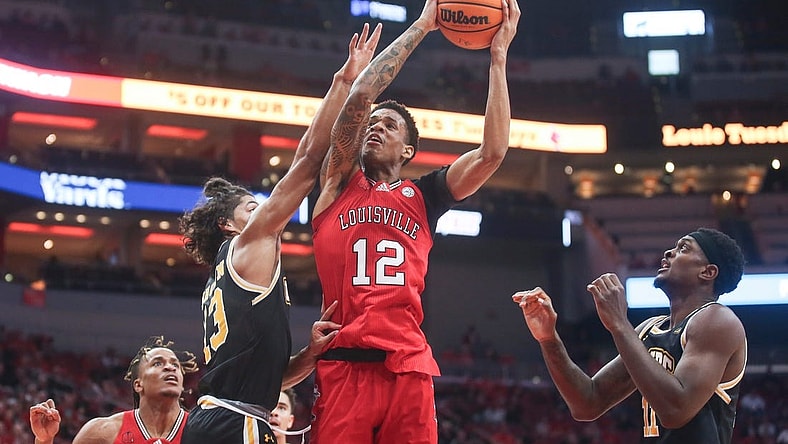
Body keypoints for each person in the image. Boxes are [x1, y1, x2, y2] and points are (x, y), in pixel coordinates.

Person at [309, 0, 520, 442]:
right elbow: (361, 97)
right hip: (344, 363)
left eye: (388, 126)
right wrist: (423, 26)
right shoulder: (337, 183)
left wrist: (498, 59)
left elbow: (492, 154)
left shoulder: (423, 196)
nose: (375, 127)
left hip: (408, 366)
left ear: (408, 151)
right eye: (373, 123)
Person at [177, 23, 382, 444]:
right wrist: (344, 81)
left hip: (222, 418)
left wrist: (309, 355)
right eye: (252, 207)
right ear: (228, 225)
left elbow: (271, 378)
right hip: (235, 423)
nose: (265, 211)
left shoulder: (227, 277)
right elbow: (307, 160)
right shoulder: (248, 243)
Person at [513, 227, 747, 444]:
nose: (669, 252)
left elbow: (677, 410)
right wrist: (548, 338)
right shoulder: (649, 329)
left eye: (683, 248)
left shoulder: (718, 321)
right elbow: (588, 402)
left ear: (708, 272)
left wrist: (619, 323)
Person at [30, 335, 199, 444]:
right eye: (158, 363)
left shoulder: (205, 431)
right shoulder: (101, 433)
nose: (170, 368)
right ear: (138, 384)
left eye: (175, 365)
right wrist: (44, 440)